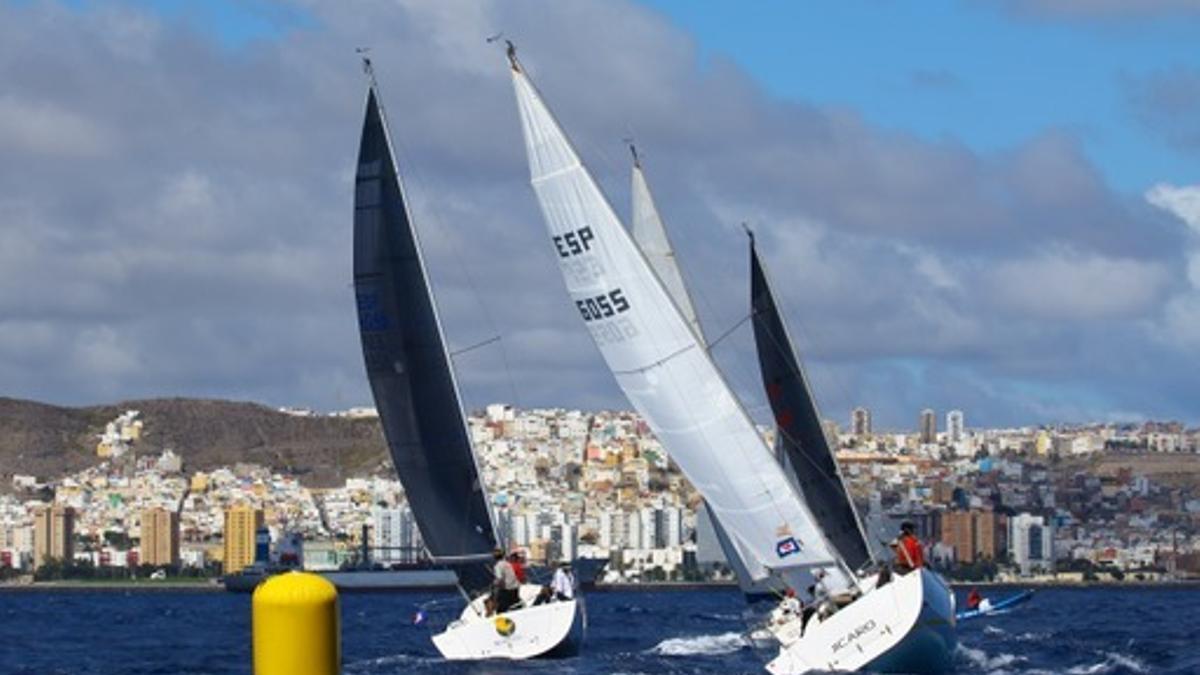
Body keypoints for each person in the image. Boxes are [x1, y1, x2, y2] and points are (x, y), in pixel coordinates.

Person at [491, 548, 521, 615]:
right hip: (515, 589)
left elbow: (500, 580)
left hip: (508, 590)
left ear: (494, 557)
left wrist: (494, 584)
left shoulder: (498, 566)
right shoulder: (508, 564)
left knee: (500, 611)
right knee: (516, 608)